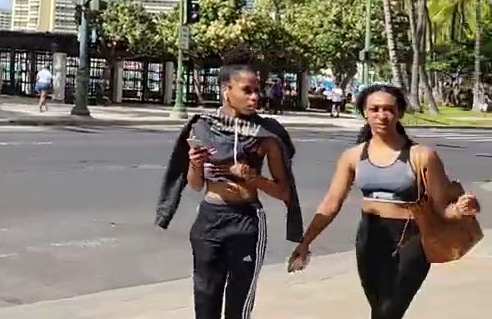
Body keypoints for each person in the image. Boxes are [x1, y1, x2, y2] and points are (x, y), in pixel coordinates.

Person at [288, 84, 481, 319]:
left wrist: (462, 210)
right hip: (370, 238)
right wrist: (305, 242)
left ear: (399, 113)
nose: (381, 115)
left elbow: (443, 210)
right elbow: (331, 202)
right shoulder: (353, 156)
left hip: (412, 238)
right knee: (379, 309)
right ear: (364, 113)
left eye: (388, 109)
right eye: (375, 109)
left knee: (388, 313)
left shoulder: (421, 156)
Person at [155, 63, 302, 319]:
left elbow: (284, 193)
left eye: (257, 90)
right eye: (247, 90)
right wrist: (195, 163)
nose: (255, 97)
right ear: (226, 90)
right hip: (209, 219)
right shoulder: (202, 127)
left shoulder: (265, 134)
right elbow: (196, 184)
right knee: (205, 298)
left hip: (246, 221)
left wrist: (251, 177)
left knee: (239, 304)